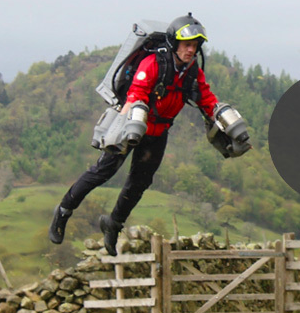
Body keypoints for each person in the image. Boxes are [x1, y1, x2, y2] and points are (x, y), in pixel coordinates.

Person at [48, 14, 218, 256]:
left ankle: (113, 224)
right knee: (102, 172)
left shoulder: (192, 72)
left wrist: (224, 122)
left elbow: (207, 99)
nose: (191, 50)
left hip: (158, 133)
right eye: (187, 45)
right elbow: (136, 93)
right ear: (175, 43)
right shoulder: (153, 62)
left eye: (194, 46)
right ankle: (63, 211)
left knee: (139, 183)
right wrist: (120, 128)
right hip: (131, 124)